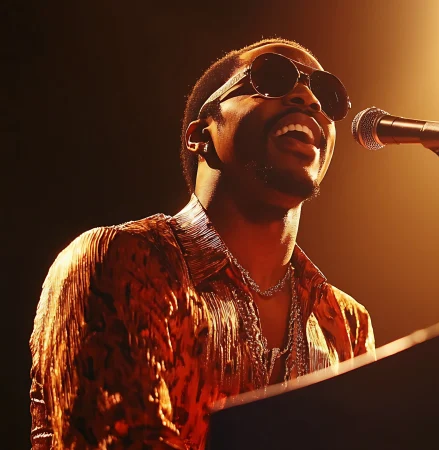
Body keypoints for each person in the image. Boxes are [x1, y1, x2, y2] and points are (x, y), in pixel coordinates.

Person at [29, 38, 375, 449]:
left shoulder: (347, 324)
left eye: (326, 94)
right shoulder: (124, 260)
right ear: (200, 134)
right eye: (272, 78)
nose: (307, 97)